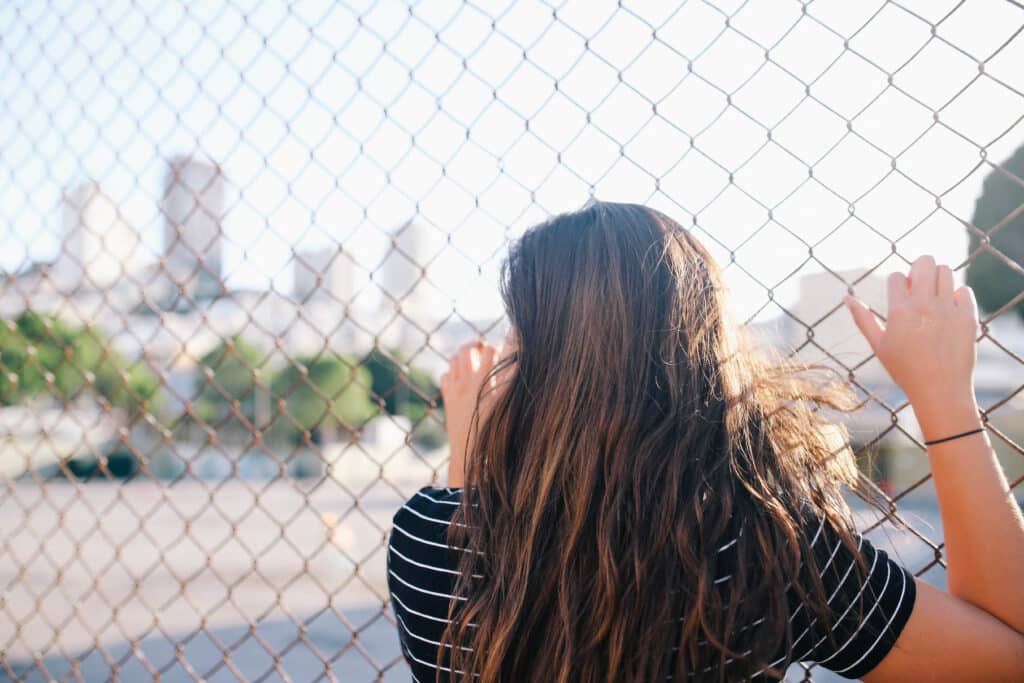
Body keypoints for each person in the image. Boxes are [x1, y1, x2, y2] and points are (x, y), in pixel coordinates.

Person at [386, 200, 1024, 682]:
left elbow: (468, 531)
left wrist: (471, 444)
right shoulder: (763, 546)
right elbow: (1003, 655)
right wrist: (944, 397)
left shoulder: (422, 548)